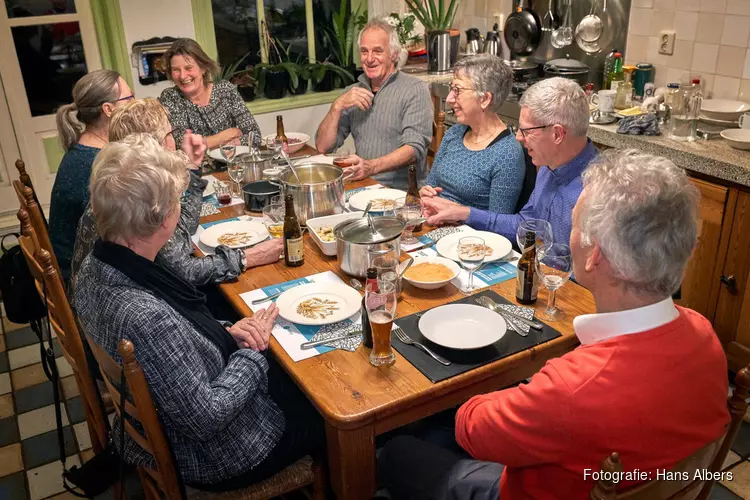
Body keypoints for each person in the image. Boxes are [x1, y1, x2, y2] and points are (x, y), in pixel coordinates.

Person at [378, 149, 730, 499]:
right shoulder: (706, 336)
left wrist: (505, 394)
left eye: (574, 226)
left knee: (399, 451)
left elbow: (473, 429)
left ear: (595, 256)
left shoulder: (573, 388)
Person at [74, 135, 323, 490]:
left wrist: (227, 331)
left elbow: (177, 344)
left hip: (161, 423)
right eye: (176, 200)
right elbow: (205, 418)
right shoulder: (144, 315)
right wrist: (251, 355)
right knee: (325, 408)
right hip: (218, 455)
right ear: (163, 219)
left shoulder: (96, 268)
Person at [69, 98, 282, 289]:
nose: (174, 141)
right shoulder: (140, 196)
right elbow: (184, 272)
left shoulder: (122, 184)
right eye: (169, 134)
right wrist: (247, 258)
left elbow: (181, 229)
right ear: (153, 146)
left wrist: (191, 168)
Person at [422, 77, 598, 247]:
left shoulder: (599, 190)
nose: (519, 137)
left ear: (557, 134)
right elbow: (525, 225)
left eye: (526, 131)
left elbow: (597, 273)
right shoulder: (549, 165)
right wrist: (463, 213)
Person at [315, 18, 432, 190]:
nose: (369, 59)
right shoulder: (352, 92)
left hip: (404, 193)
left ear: (394, 54)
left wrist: (370, 167)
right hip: (364, 186)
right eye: (364, 51)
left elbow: (413, 149)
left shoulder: (414, 89)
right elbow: (323, 146)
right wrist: (336, 106)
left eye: (378, 51)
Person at [49, 69, 133, 284]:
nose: (135, 103)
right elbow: (123, 236)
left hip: (77, 264)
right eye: (129, 98)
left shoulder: (87, 148)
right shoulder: (97, 164)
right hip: (84, 278)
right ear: (108, 109)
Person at [420, 55, 525, 214]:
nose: (449, 99)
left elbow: (497, 225)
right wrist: (425, 193)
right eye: (451, 88)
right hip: (434, 223)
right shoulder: (455, 132)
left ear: (484, 99)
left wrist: (455, 212)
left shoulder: (508, 154)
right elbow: (431, 185)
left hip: (470, 237)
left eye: (457, 90)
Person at [159, 38, 262, 150]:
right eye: (176, 70)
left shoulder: (225, 90)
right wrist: (228, 134)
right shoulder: (170, 97)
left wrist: (218, 146)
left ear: (203, 68)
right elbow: (184, 146)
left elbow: (254, 136)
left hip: (234, 165)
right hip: (195, 167)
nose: (183, 76)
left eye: (188, 68)